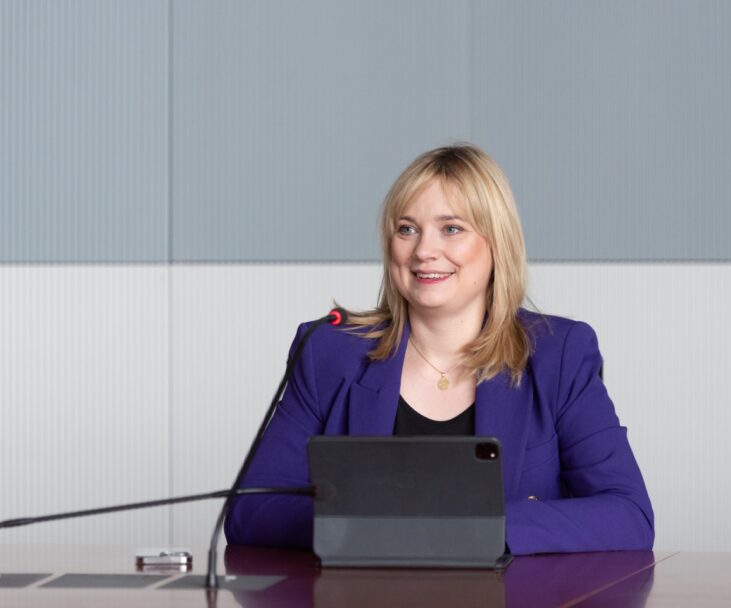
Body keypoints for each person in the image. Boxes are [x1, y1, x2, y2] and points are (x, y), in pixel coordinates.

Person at [225, 144, 654, 554]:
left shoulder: (558, 355)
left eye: (451, 229)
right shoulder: (328, 352)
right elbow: (251, 510)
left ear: (496, 244)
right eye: (407, 229)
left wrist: (474, 528)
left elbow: (629, 514)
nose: (424, 250)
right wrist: (360, 527)